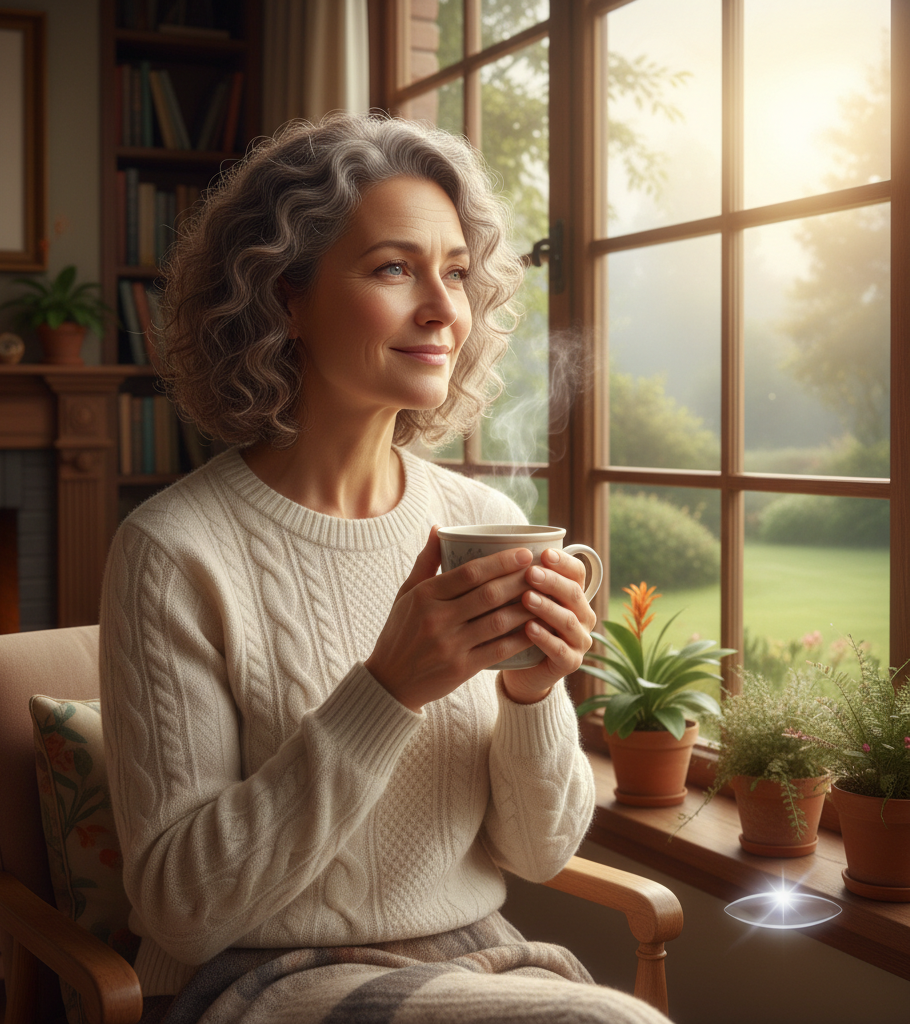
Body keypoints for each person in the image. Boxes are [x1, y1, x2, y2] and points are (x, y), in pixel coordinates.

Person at [99, 112, 668, 1024]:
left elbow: (539, 852)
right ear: (285, 296)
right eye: (394, 269)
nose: (445, 309)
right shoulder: (175, 551)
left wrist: (533, 695)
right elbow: (181, 906)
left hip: (478, 963)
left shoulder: (481, 521)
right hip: (260, 980)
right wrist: (388, 688)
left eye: (455, 272)